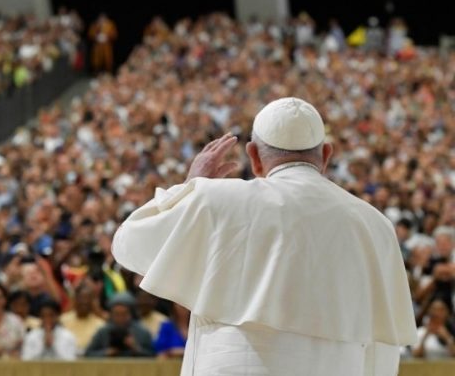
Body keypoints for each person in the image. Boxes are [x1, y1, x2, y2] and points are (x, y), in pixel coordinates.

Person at [112, 97, 417, 375]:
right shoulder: (375, 225)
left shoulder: (216, 198)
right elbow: (383, 344)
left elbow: (128, 245)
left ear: (254, 156)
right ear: (326, 155)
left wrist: (189, 187)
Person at [84, 292, 153, 358]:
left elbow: (152, 356)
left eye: (124, 314)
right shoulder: (103, 332)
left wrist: (136, 349)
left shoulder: (142, 332)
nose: (120, 318)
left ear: (131, 314)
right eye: (117, 314)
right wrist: (105, 353)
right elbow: (88, 354)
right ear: (111, 315)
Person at [59, 285, 105, 356]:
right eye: (81, 298)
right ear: (75, 299)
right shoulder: (62, 321)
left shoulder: (101, 325)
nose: (84, 301)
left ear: (92, 302)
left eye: (87, 298)